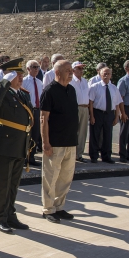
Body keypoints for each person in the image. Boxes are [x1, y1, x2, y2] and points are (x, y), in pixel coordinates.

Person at [0, 58, 32, 233]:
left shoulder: (23, 94)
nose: (20, 77)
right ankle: (0, 216)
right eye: (16, 75)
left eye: (21, 74)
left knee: (14, 184)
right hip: (4, 144)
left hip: (19, 144)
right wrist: (5, 81)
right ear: (8, 76)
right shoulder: (2, 93)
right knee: (3, 183)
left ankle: (10, 214)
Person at [40, 60, 79, 224]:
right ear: (57, 72)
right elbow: (44, 118)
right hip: (54, 143)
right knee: (50, 177)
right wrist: (45, 142)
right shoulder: (49, 91)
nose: (71, 73)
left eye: (71, 70)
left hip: (70, 141)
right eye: (67, 70)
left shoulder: (72, 90)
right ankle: (48, 209)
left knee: (65, 177)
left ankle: (59, 206)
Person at [88, 67, 123, 163]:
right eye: (104, 73)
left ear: (111, 75)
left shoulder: (114, 88)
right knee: (95, 135)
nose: (106, 75)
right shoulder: (95, 87)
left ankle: (106, 156)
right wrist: (91, 116)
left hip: (109, 114)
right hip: (97, 113)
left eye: (108, 73)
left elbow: (117, 104)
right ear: (100, 74)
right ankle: (94, 156)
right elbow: (90, 102)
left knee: (108, 136)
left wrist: (116, 117)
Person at [22, 59, 43, 165]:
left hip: (37, 110)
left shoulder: (39, 82)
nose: (36, 69)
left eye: (38, 67)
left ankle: (32, 156)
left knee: (35, 134)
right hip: (27, 110)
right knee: (27, 134)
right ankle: (24, 156)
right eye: (34, 67)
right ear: (28, 69)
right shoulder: (24, 81)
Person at [70, 61, 91, 163]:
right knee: (74, 131)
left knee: (82, 132)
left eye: (82, 68)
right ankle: (72, 154)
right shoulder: (71, 81)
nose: (81, 70)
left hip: (85, 107)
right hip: (75, 107)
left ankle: (79, 154)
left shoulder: (85, 81)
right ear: (73, 69)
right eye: (79, 68)